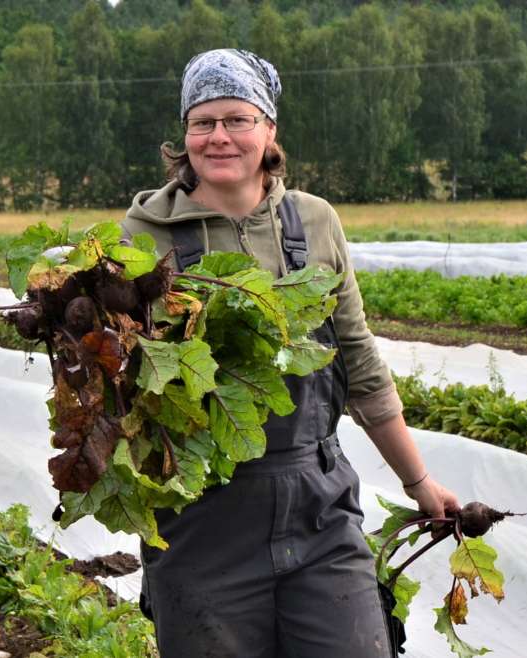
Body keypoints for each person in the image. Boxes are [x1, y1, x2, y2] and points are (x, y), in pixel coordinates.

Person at [121, 48, 460, 657]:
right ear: (185, 134)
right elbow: (119, 378)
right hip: (202, 518)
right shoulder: (145, 235)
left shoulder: (315, 222)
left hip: (317, 502)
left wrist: (421, 481)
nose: (218, 137)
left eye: (237, 119)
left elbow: (357, 360)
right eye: (203, 122)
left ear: (268, 129)